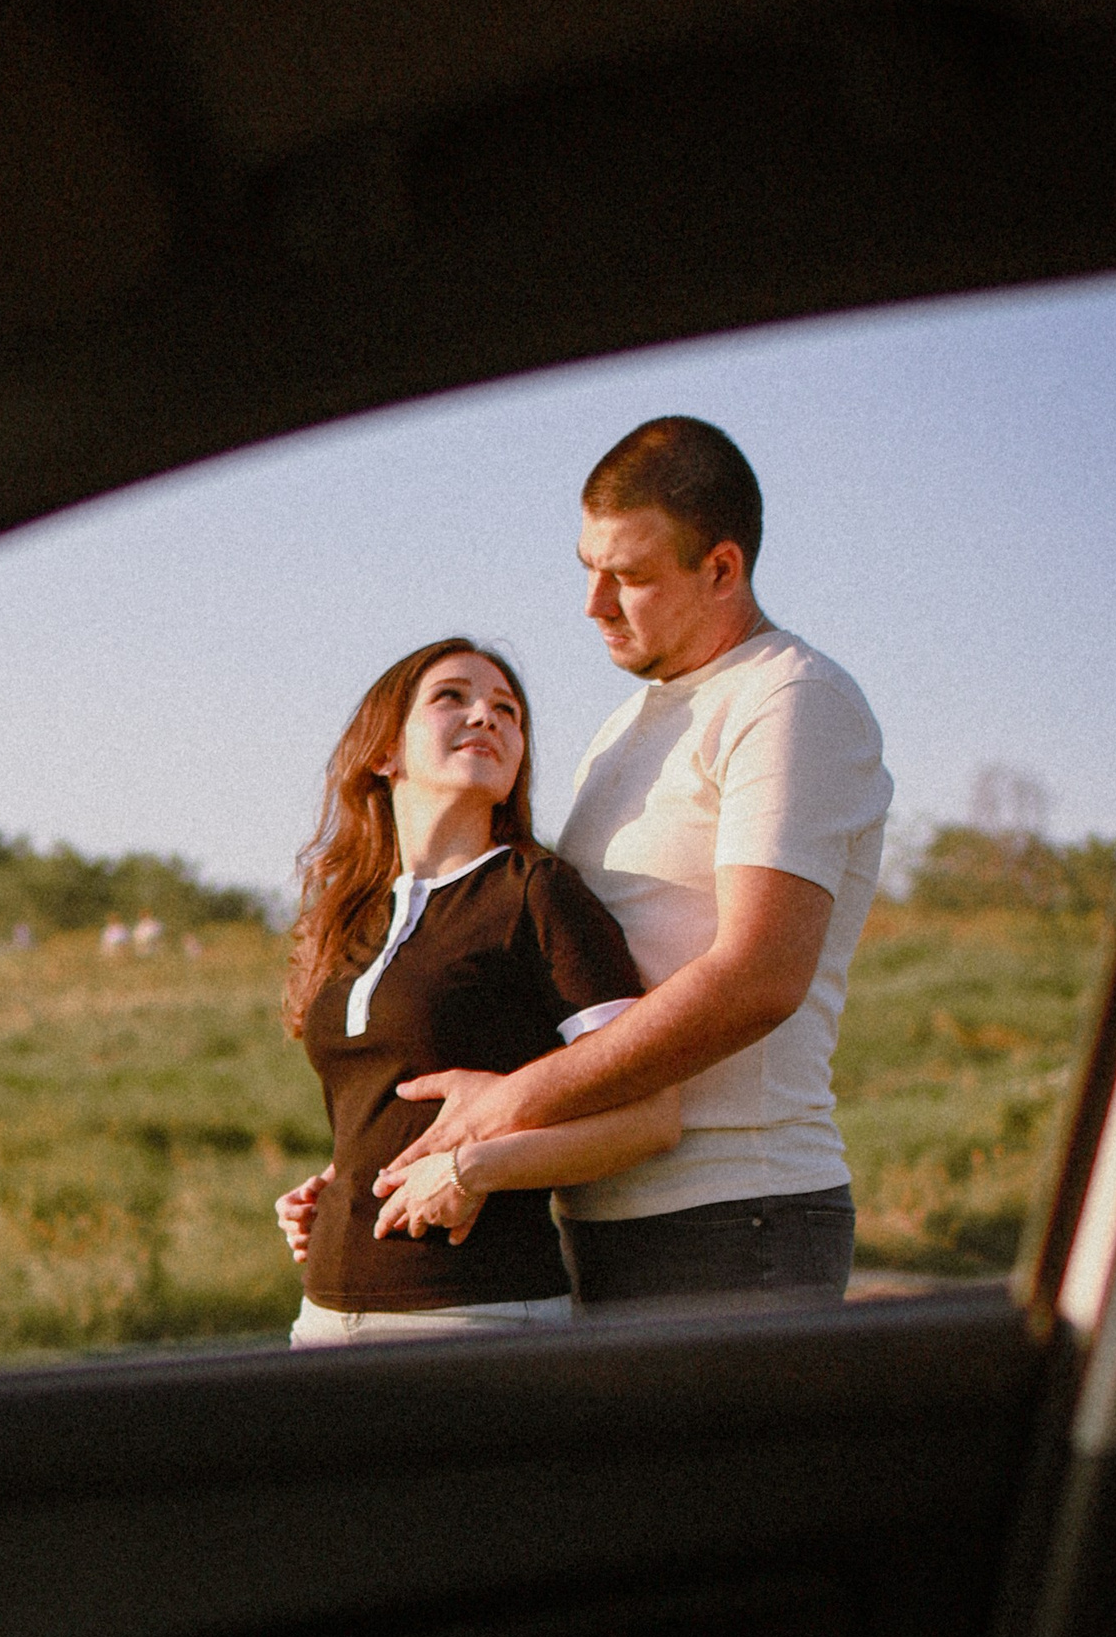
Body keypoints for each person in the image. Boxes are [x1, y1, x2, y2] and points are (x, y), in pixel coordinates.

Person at [367, 417, 891, 1306]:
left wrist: (513, 1102)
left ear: (721, 568)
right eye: (587, 567)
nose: (594, 604)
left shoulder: (791, 699)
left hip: (736, 1217)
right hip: (595, 1214)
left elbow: (760, 975)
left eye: (631, 576)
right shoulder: (624, 730)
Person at [271, 637, 682, 1344]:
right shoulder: (350, 916)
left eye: (508, 710)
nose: (486, 716)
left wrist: (475, 1169)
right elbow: (388, 1105)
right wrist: (339, 1182)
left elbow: (651, 1116)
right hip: (322, 1317)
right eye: (451, 697)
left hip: (476, 1313)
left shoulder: (538, 894)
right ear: (383, 751)